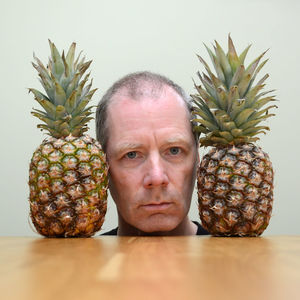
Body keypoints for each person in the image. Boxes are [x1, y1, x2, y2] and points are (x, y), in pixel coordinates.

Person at [96, 71, 208, 236]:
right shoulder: (79, 262)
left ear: (197, 160)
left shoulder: (235, 261)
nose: (156, 178)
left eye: (174, 151)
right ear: (102, 167)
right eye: (132, 154)